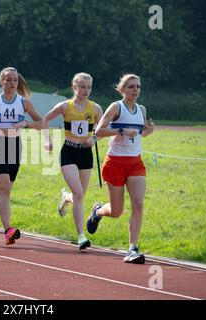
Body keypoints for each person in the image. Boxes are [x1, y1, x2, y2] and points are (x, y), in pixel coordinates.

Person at [86, 74, 155, 264]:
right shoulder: (116, 107)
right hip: (115, 162)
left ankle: (132, 248)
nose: (135, 90)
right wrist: (121, 130)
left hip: (135, 163)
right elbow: (99, 131)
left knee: (139, 204)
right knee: (116, 211)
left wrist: (147, 131)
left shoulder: (141, 109)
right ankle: (98, 211)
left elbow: (140, 133)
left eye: (138, 87)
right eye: (131, 86)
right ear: (122, 89)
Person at [0, 67, 45, 245]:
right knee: (5, 188)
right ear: (1, 81)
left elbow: (42, 123)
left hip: (15, 147)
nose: (12, 83)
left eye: (15, 80)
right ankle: (8, 230)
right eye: (8, 80)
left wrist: (26, 123)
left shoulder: (23, 103)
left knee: (5, 189)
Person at [43, 73, 103, 250]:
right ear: (75, 87)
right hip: (68, 152)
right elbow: (45, 119)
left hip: (86, 154)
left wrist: (95, 137)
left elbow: (103, 127)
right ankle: (81, 236)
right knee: (78, 194)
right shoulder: (64, 106)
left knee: (78, 196)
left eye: (89, 87)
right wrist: (47, 140)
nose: (86, 90)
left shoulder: (96, 108)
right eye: (82, 87)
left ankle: (64, 197)